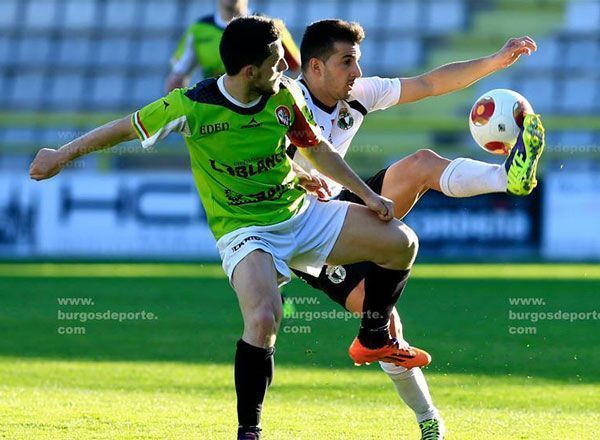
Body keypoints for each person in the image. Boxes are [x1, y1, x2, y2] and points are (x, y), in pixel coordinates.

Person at [30, 16, 434, 440]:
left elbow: (319, 150)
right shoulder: (191, 105)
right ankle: (249, 430)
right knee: (263, 318)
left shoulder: (282, 97)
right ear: (249, 71)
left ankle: (373, 335)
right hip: (245, 230)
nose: (284, 72)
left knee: (401, 243)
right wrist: (62, 154)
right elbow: (124, 129)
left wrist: (366, 195)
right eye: (277, 64)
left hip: (300, 214)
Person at [288, 19, 545, 440]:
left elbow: (429, 83)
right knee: (384, 322)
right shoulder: (286, 101)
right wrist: (299, 175)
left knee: (422, 163)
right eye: (347, 61)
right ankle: (428, 418)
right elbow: (258, 159)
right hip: (305, 230)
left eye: (357, 62)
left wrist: (496, 61)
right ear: (315, 67)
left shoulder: (357, 94)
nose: (356, 71)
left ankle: (508, 178)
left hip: (343, 204)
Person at [165, 0, 300, 91]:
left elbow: (297, 68)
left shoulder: (271, 27)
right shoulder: (199, 29)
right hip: (216, 111)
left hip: (257, 113)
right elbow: (176, 79)